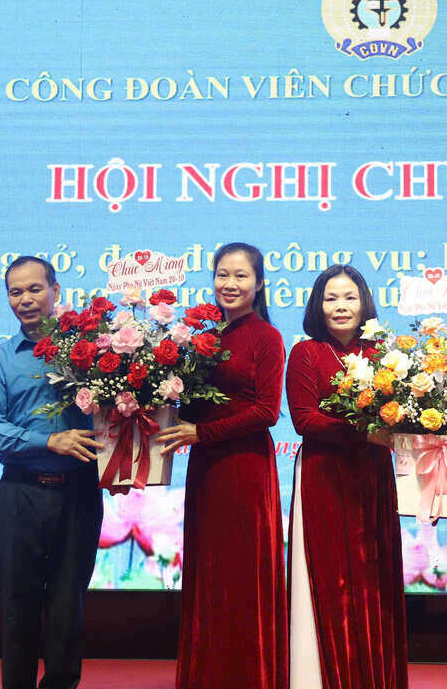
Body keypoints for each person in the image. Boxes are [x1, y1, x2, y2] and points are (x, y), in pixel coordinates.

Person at [157, 242, 288, 689]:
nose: (229, 284)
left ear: (259, 283)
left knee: (241, 578)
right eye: (222, 275)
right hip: (206, 469)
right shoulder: (203, 337)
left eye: (241, 275)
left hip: (245, 471)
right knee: (209, 576)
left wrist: (202, 433)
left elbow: (266, 412)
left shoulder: (267, 337)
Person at [0, 255, 105, 689]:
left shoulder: (93, 351)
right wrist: (49, 442)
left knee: (68, 609)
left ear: (56, 291)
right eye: (16, 292)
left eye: (35, 289)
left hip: (79, 493)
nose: (25, 299)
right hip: (21, 495)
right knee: (19, 610)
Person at [284, 265, 408, 689]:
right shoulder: (306, 353)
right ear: (318, 305)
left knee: (374, 579)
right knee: (329, 580)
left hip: (373, 475)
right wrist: (364, 431)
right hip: (323, 476)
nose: (341, 306)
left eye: (350, 297)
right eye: (331, 298)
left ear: (364, 303)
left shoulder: (382, 354)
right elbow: (304, 420)